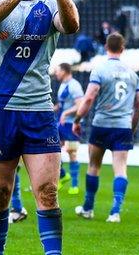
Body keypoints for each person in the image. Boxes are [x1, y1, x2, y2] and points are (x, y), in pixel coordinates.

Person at [0, 0, 79, 255]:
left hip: (39, 111)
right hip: (0, 110)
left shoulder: (49, 7)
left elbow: (71, 25)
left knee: (47, 192)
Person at [73, 33, 139, 223]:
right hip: (122, 126)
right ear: (123, 49)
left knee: (94, 166)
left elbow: (89, 98)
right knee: (120, 169)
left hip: (102, 124)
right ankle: (115, 212)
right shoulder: (133, 74)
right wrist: (132, 128)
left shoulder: (99, 70)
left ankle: (88, 208)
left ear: (106, 47)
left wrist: (77, 119)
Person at [54, 63, 84, 195]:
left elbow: (80, 105)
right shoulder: (63, 85)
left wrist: (66, 113)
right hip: (61, 122)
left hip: (72, 123)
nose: (56, 73)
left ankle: (75, 185)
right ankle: (62, 175)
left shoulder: (74, 85)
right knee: (54, 149)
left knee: (71, 152)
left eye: (58, 71)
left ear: (65, 71)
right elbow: (61, 105)